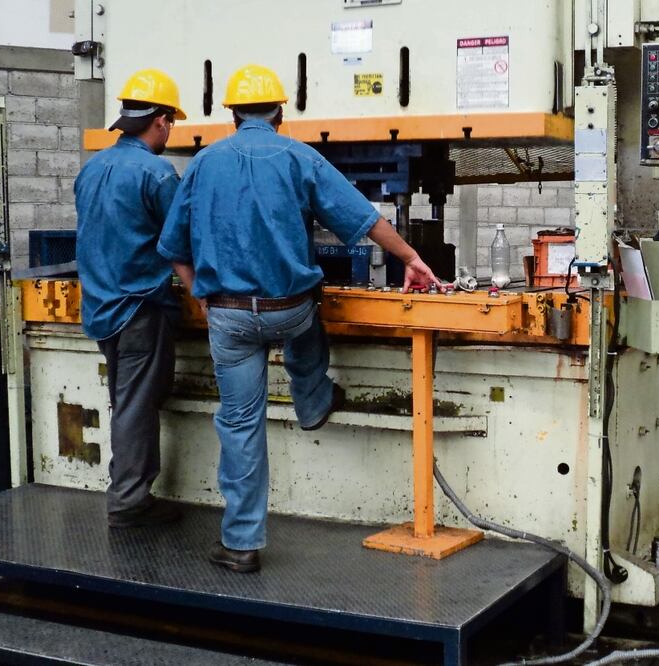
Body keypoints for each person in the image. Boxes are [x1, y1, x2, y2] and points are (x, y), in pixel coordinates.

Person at [158, 64, 441, 573]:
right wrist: (412, 260)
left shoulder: (202, 164)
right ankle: (312, 400)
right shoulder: (299, 156)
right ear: (281, 112)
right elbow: (364, 218)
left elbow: (172, 246)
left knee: (241, 425)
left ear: (231, 115)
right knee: (309, 321)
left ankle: (242, 544)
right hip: (289, 311)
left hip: (229, 320)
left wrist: (200, 291)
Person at [75, 69, 187, 528]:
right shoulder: (157, 172)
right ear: (159, 120)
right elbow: (183, 240)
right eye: (171, 123)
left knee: (127, 401)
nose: (170, 132)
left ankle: (125, 486)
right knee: (137, 404)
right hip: (139, 306)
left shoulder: (92, 168)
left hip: (100, 306)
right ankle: (128, 500)